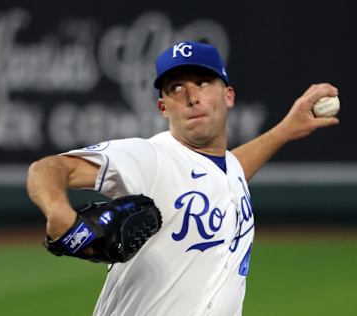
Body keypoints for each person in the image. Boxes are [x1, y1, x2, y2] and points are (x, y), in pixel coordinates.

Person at [26, 41, 339, 315]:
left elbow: (228, 171)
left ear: (228, 96)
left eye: (203, 82)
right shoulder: (151, 158)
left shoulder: (225, 169)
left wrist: (284, 130)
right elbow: (48, 168)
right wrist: (59, 212)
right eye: (176, 88)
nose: (191, 96)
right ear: (163, 108)